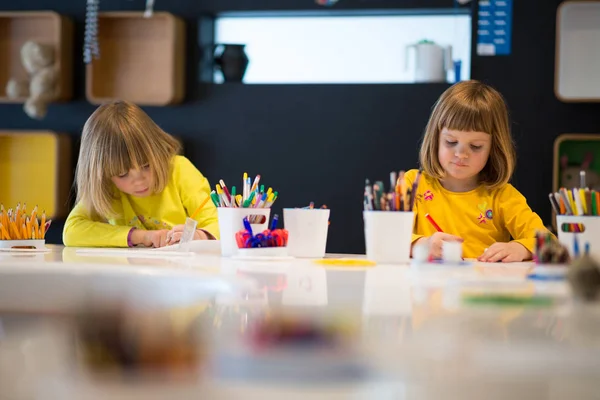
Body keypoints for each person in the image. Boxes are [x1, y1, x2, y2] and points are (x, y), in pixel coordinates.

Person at [407, 80, 548, 262]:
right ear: (435, 139)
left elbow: (548, 242)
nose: (461, 154)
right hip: (426, 287)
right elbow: (388, 238)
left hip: (482, 289)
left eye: (475, 146)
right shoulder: (413, 184)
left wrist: (520, 248)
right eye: (451, 142)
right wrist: (422, 245)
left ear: (493, 148)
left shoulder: (502, 196)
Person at [63, 100, 219, 248]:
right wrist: (140, 236)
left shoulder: (180, 170)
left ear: (156, 149)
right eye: (123, 174)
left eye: (146, 165)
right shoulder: (107, 186)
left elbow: (220, 226)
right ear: (101, 175)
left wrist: (199, 236)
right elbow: (71, 231)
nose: (139, 181)